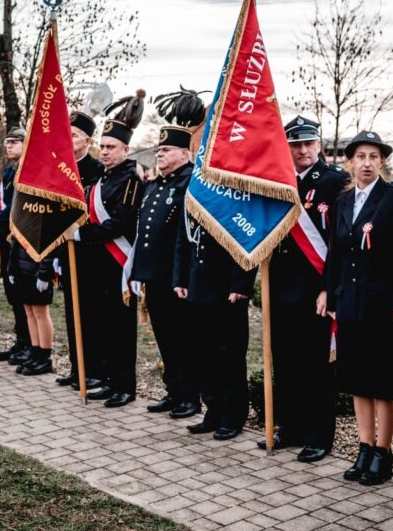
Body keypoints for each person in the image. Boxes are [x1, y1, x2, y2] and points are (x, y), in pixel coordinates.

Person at [325, 130, 393, 485]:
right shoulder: (344, 200)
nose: (366, 163)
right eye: (361, 157)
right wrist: (332, 297)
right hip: (350, 303)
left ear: (382, 162)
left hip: (382, 305)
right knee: (357, 380)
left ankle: (383, 451)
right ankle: (364, 447)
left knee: (382, 381)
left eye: (373, 157)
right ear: (351, 161)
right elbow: (336, 252)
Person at [260, 116, 349, 461]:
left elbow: (340, 243)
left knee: (315, 365)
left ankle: (319, 436)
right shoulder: (277, 181)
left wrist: (329, 288)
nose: (303, 150)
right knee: (285, 362)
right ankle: (291, 427)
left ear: (319, 145)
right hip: (281, 286)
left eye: (308, 143)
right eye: (295, 144)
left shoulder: (335, 182)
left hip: (315, 290)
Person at [129, 88, 205, 419]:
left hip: (176, 277)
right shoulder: (157, 185)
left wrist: (179, 276)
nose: (159, 154)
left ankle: (189, 397)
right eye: (158, 149)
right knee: (164, 339)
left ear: (185, 154)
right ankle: (173, 392)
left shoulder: (189, 183)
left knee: (184, 341)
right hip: (154, 275)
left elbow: (185, 238)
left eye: (167, 149)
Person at [76, 91, 144, 408]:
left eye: (111, 147)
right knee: (104, 326)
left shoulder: (130, 179)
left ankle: (125, 386)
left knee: (121, 329)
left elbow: (118, 224)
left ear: (126, 149)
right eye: (102, 147)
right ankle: (107, 380)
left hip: (121, 263)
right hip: (100, 264)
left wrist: (80, 235)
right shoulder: (103, 178)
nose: (104, 152)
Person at [174, 208, 257, 441]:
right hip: (197, 284)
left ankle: (233, 415)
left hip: (227, 289)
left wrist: (242, 283)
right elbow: (184, 237)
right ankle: (214, 410)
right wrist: (180, 278)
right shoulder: (197, 190)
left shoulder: (234, 195)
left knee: (229, 356)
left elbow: (247, 239)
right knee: (203, 355)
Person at [55, 111, 104, 388]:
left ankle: (93, 369)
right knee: (72, 313)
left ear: (88, 140)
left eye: (73, 135)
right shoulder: (61, 167)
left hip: (91, 251)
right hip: (66, 248)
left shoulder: (97, 170)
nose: (69, 140)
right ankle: (77, 367)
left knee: (90, 315)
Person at [0, 127, 33, 363]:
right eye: (7, 142)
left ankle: (30, 343)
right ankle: (21, 341)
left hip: (23, 238)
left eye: (14, 142)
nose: (9, 146)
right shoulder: (9, 172)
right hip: (7, 238)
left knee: (22, 293)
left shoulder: (28, 172)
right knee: (12, 292)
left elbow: (15, 207)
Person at [7, 234, 56, 374]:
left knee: (40, 313)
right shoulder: (23, 215)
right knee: (29, 312)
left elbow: (49, 244)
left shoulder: (41, 214)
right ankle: (35, 352)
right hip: (22, 269)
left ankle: (44, 357)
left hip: (37, 270)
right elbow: (15, 242)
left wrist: (45, 272)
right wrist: (11, 268)